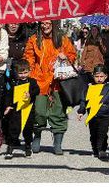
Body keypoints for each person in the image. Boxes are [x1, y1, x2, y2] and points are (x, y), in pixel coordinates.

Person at [24, 20, 77, 155]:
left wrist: (66, 57)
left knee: (58, 112)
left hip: (58, 82)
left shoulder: (62, 39)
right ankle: (37, 136)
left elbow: (72, 54)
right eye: (42, 23)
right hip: (40, 81)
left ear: (53, 24)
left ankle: (58, 142)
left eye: (48, 23)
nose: (45, 26)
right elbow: (29, 57)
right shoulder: (34, 39)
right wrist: (30, 73)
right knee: (39, 112)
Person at [78, 64, 109, 161]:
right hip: (92, 114)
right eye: (97, 76)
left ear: (106, 76)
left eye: (101, 76)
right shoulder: (89, 87)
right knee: (93, 132)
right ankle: (95, 149)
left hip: (105, 114)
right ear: (93, 76)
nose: (99, 79)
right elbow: (84, 100)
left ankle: (102, 149)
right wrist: (81, 111)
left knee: (102, 132)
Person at [2, 57, 40, 158]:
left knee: (28, 129)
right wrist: (8, 106)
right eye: (21, 73)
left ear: (29, 71)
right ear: (17, 73)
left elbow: (37, 90)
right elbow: (9, 95)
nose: (23, 75)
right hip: (16, 110)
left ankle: (27, 146)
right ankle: (10, 147)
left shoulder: (32, 82)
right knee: (14, 128)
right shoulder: (14, 83)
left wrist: (30, 93)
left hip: (28, 109)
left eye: (25, 73)